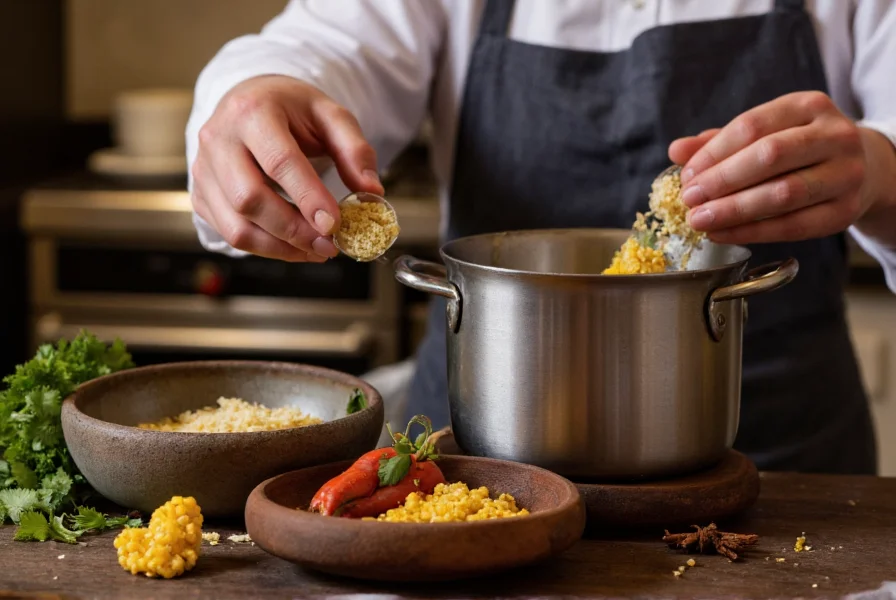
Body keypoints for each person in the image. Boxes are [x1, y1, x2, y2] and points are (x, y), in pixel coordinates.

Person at [186, 0, 896, 475]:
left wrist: (883, 171)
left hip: (787, 468)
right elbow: (322, 44)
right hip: (472, 469)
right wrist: (255, 97)